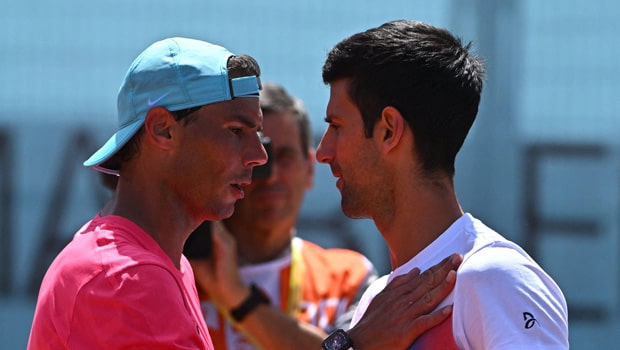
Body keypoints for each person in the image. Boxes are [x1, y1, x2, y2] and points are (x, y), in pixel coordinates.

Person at [315, 20, 570, 349]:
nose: (322, 152)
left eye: (336, 126)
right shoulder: (377, 304)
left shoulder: (495, 276)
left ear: (389, 130)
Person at [28, 37, 267, 349]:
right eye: (236, 130)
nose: (259, 155)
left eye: (257, 134)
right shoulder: (126, 277)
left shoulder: (156, 266)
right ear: (162, 129)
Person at [187, 81, 465, 350]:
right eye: (258, 160)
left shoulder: (349, 277)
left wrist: (239, 299)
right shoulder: (179, 275)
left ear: (309, 168)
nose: (271, 176)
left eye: (283, 156)